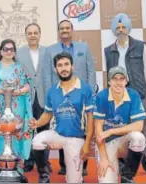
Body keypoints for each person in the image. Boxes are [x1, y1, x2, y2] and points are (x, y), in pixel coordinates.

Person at [29, 52, 94, 183]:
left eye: (66, 64)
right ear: (55, 69)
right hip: (58, 135)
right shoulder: (53, 91)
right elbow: (47, 115)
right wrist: (37, 123)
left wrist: (87, 144)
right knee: (37, 141)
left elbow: (91, 118)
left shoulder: (85, 88)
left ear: (72, 66)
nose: (63, 68)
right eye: (60, 65)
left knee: (74, 181)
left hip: (76, 138)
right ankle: (44, 176)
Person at [45, 19, 96, 176]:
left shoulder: (83, 47)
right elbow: (48, 74)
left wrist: (91, 91)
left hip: (81, 95)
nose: (65, 30)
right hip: (61, 95)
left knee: (82, 128)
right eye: (62, 28)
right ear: (58, 32)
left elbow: (91, 70)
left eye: (67, 28)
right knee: (63, 127)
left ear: (72, 30)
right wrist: (52, 95)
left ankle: (83, 163)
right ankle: (64, 165)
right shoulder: (50, 50)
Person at [104, 13, 146, 175]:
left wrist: (143, 90)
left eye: (124, 27)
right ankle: (123, 163)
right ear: (114, 30)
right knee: (121, 126)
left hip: (138, 92)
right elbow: (108, 73)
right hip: (118, 94)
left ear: (128, 28)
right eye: (118, 28)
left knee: (142, 128)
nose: (121, 30)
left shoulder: (140, 46)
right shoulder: (108, 50)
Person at [0, 39, 33, 172]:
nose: (8, 52)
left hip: (18, 107)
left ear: (14, 51)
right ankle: (0, 169)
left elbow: (28, 86)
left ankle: (17, 170)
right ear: (1, 51)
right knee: (1, 135)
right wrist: (2, 91)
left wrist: (17, 91)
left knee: (16, 134)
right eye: (5, 49)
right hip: (1, 107)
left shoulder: (20, 67)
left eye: (11, 49)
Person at [94, 66, 146, 183]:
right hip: (107, 143)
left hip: (125, 141)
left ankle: (127, 176)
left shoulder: (133, 95)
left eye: (121, 79)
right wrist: (103, 158)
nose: (118, 82)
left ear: (126, 81)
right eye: (114, 79)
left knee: (139, 138)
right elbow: (98, 130)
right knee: (106, 181)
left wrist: (110, 131)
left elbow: (138, 126)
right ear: (109, 81)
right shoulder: (102, 96)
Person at [15, 23, 52, 178]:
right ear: (26, 35)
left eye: (35, 32)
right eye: (29, 33)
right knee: (28, 130)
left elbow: (50, 74)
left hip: (44, 96)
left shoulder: (47, 52)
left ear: (40, 34)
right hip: (27, 97)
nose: (32, 35)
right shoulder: (19, 53)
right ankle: (29, 160)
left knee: (44, 130)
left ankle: (44, 162)